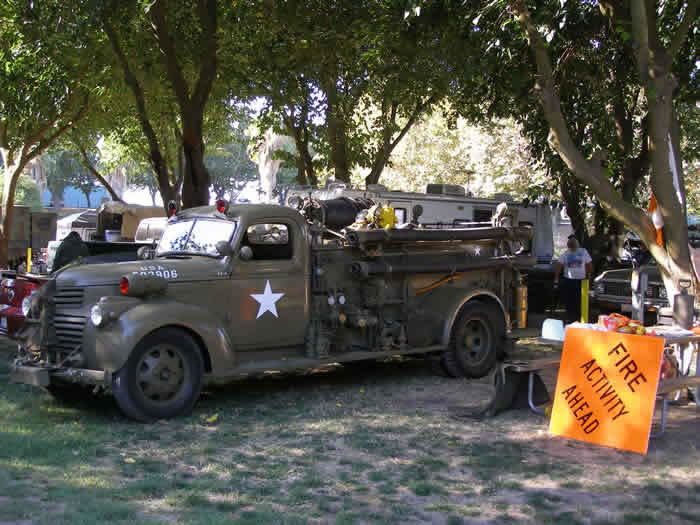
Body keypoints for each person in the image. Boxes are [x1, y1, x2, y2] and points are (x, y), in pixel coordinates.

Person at [554, 235, 593, 323]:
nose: (572, 249)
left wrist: (589, 274)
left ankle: (579, 317)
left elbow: (589, 264)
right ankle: (571, 317)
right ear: (568, 246)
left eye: (573, 247)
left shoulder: (583, 251)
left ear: (577, 246)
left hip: (581, 280)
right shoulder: (566, 253)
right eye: (571, 248)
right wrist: (556, 278)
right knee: (570, 299)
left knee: (579, 299)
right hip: (569, 280)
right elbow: (559, 266)